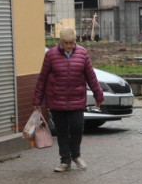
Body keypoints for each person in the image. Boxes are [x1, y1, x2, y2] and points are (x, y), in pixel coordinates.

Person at [33, 27, 104, 172]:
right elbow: (42, 78)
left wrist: (98, 95)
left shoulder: (83, 54)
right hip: (56, 99)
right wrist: (37, 100)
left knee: (77, 127)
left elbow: (91, 77)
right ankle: (65, 160)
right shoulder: (51, 55)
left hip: (76, 99)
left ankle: (76, 155)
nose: (70, 46)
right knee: (62, 131)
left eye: (72, 42)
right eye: (66, 43)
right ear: (60, 42)